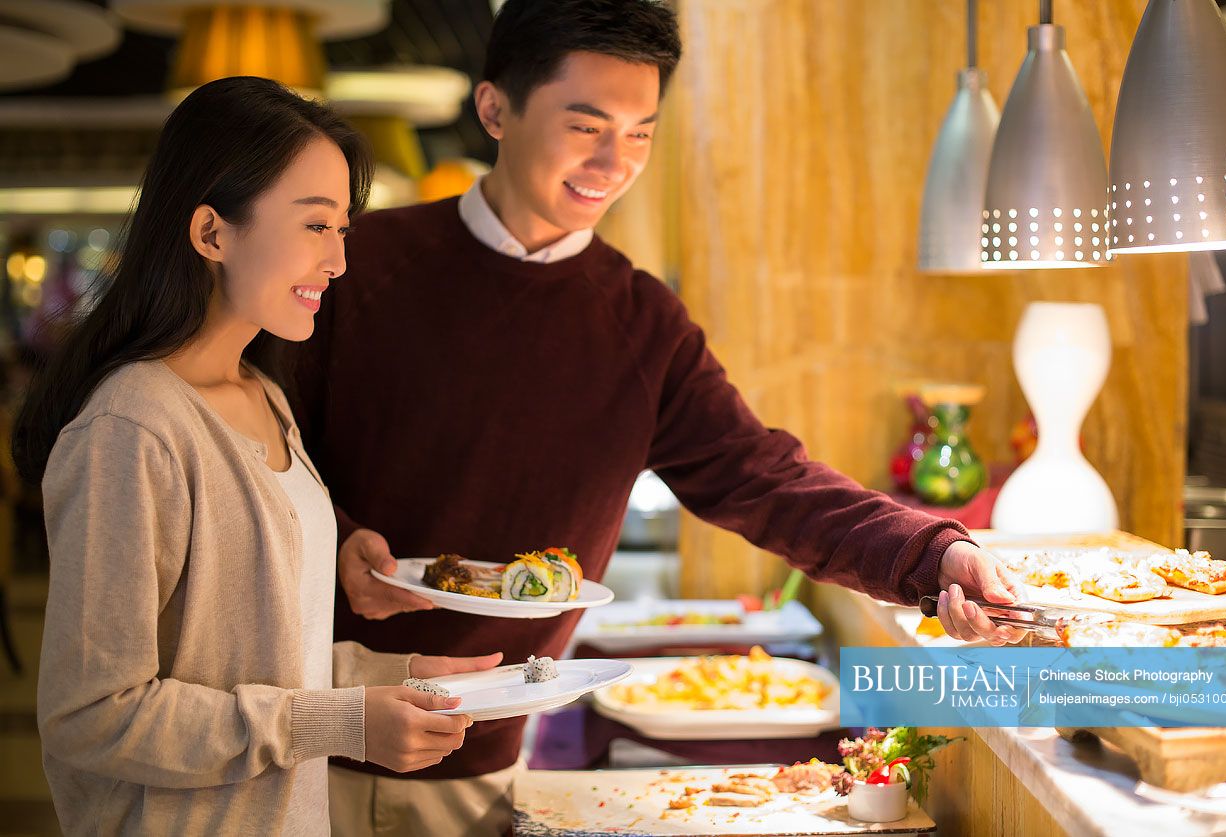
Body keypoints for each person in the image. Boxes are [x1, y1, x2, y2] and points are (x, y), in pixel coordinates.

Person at [291, 1, 1026, 834]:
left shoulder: (639, 322)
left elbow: (764, 476)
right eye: (585, 124)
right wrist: (338, 535)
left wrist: (933, 553)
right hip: (318, 733)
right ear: (495, 108)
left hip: (493, 748)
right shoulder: (357, 266)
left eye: (640, 132)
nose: (614, 161)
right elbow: (253, 453)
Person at [13, 76, 499, 836]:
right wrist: (340, 723)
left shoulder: (263, 393)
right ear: (211, 233)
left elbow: (259, 662)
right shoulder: (131, 427)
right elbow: (91, 715)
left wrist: (394, 677)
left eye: (343, 228)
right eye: (314, 226)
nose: (338, 262)